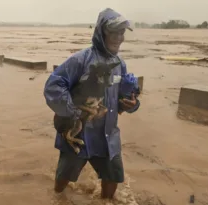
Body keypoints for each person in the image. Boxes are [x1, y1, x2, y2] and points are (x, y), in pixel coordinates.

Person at [43, 8, 140, 199]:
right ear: (101, 32)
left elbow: (123, 98)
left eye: (121, 33)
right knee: (62, 181)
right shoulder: (80, 60)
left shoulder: (119, 64)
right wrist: (74, 111)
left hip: (108, 136)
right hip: (78, 135)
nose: (118, 37)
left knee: (112, 179)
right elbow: (52, 87)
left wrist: (131, 104)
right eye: (113, 32)